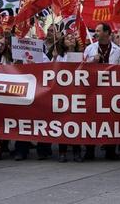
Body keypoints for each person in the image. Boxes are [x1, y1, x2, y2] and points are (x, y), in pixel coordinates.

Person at [82, 23, 120, 160]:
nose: (96, 33)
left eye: (98, 31)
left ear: (106, 32)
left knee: (111, 120)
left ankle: (111, 151)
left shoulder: (117, 50)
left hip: (111, 89)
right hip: (93, 89)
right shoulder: (89, 49)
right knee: (91, 119)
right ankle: (89, 151)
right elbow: (81, 68)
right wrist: (92, 62)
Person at [53, 32, 83, 162]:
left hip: (77, 93)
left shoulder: (82, 56)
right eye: (67, 38)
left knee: (76, 123)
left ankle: (77, 152)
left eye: (72, 38)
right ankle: (62, 152)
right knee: (62, 122)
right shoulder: (59, 57)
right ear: (63, 42)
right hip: (62, 94)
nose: (70, 39)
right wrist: (53, 60)